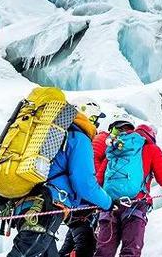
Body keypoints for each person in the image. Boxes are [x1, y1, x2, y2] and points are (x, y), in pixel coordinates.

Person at [6, 111, 113, 257]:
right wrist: (108, 203)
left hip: (25, 202)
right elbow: (85, 184)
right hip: (47, 204)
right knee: (25, 253)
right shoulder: (78, 138)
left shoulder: (48, 136)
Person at [94, 124, 162, 257]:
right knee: (130, 251)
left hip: (110, 205)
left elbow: (98, 179)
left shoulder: (116, 150)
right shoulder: (151, 149)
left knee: (103, 252)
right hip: (135, 205)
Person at [58, 101, 107, 257]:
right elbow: (84, 180)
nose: (97, 124)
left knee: (72, 243)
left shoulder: (65, 135)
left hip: (68, 202)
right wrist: (106, 202)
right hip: (78, 203)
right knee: (86, 246)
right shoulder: (80, 139)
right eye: (95, 119)